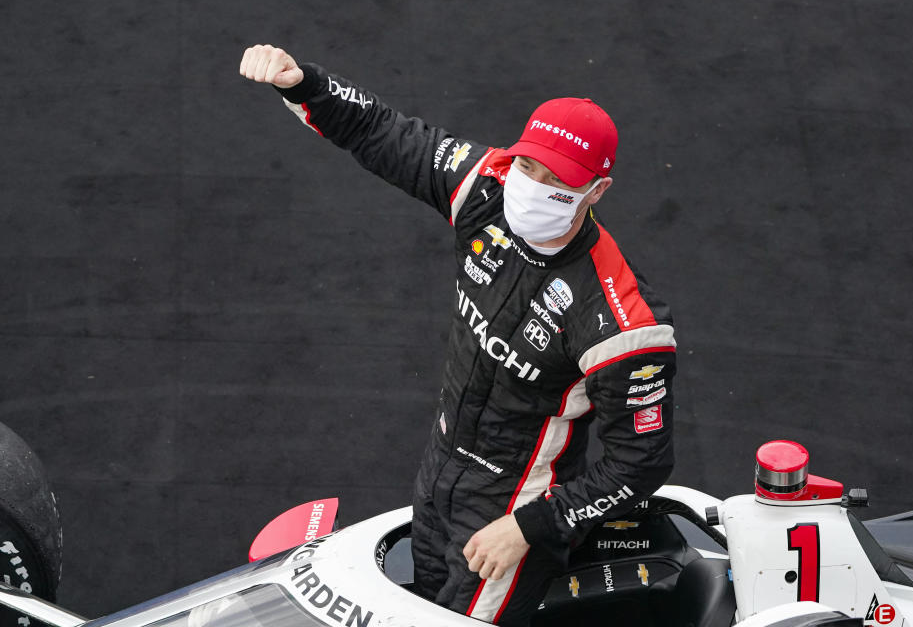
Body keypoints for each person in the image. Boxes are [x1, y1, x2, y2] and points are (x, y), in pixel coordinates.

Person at [240, 44, 677, 626]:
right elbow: (378, 130)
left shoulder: (623, 320)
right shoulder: (486, 186)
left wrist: (529, 527)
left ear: (597, 190)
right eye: (528, 166)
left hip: (510, 514)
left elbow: (641, 462)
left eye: (557, 181)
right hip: (440, 470)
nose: (531, 185)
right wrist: (302, 84)